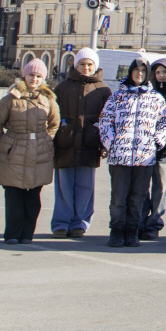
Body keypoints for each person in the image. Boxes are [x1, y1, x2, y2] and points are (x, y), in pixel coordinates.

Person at [98, 58, 166, 248]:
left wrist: (157, 142)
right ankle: (116, 231)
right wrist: (111, 143)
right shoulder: (117, 97)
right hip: (119, 157)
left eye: (143, 71)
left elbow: (163, 123)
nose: (139, 73)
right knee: (118, 198)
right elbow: (105, 120)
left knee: (137, 198)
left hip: (144, 158)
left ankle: (132, 232)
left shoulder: (156, 98)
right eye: (136, 70)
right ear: (130, 72)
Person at [0, 58, 59, 244]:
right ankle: (12, 234)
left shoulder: (48, 100)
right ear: (24, 76)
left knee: (33, 198)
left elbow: (54, 123)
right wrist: (4, 144)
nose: (34, 79)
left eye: (38, 76)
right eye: (31, 75)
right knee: (14, 197)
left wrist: (46, 142)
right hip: (15, 152)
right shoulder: (11, 99)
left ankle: (27, 234)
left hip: (39, 153)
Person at [50, 47, 109, 238]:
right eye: (82, 64)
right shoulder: (63, 87)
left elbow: (108, 119)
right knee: (63, 186)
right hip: (65, 143)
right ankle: (61, 223)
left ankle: (80, 223)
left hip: (88, 144)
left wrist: (102, 142)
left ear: (95, 66)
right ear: (76, 65)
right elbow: (53, 115)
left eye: (89, 64)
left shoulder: (102, 90)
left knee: (85, 186)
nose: (86, 67)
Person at [140, 56, 166, 240]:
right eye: (157, 73)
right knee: (141, 187)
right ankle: (140, 221)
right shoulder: (145, 92)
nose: (160, 76)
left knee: (161, 187)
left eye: (164, 72)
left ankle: (154, 223)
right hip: (145, 147)